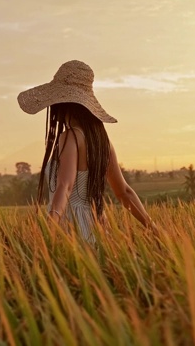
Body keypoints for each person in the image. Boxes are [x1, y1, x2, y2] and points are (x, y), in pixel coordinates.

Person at [17, 60, 156, 243]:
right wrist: (154, 229)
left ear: (63, 103)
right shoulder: (103, 142)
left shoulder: (70, 137)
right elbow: (124, 192)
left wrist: (51, 228)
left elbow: (65, 186)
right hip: (97, 229)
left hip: (71, 227)